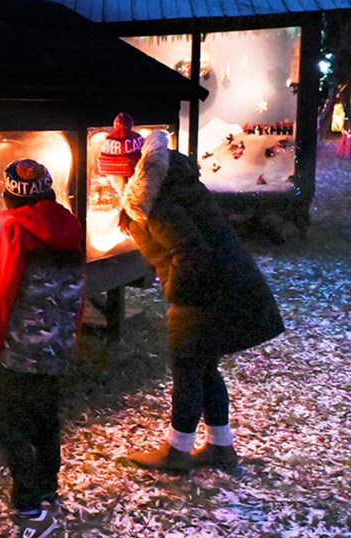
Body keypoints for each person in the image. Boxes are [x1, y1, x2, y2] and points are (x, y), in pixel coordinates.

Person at [118, 130, 284, 473]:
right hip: (226, 287)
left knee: (188, 367)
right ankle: (220, 447)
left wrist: (176, 295)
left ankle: (177, 452)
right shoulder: (176, 183)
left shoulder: (156, 201)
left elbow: (191, 253)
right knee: (203, 367)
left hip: (209, 295)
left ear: (132, 172)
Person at [0, 159, 85, 538]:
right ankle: (49, 493)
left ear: (8, 195)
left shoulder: (13, 233)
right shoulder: (70, 227)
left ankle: (30, 514)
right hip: (56, 350)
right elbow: (76, 292)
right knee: (46, 419)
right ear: (49, 192)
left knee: (12, 427)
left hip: (19, 353)